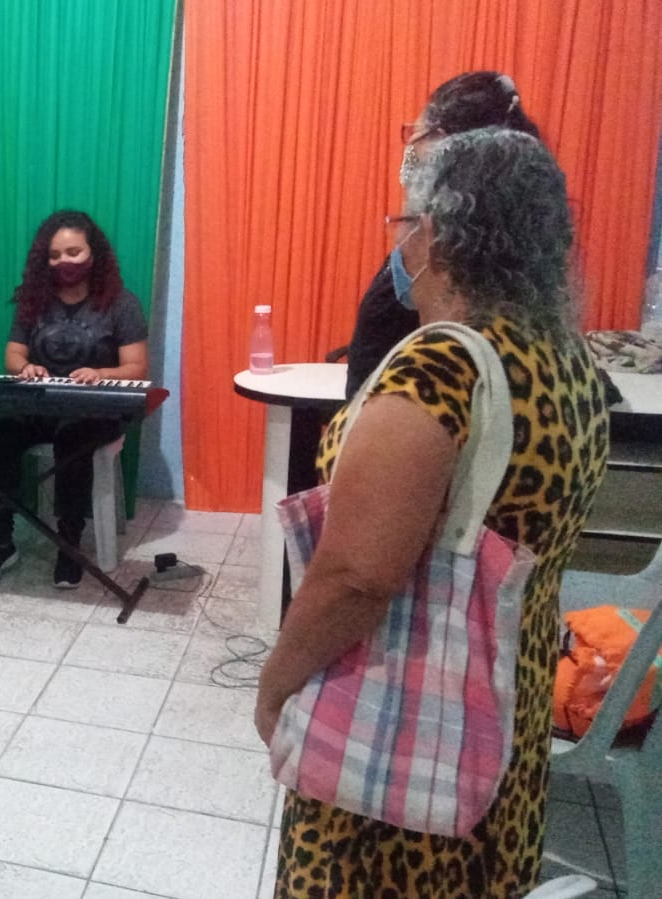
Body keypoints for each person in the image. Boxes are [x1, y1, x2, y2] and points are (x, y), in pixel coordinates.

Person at [256, 130, 609, 898]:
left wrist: (274, 683)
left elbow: (356, 576)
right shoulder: (567, 361)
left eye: (405, 222)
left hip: (402, 727)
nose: (399, 242)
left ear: (438, 234)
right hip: (503, 705)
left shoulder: (440, 369)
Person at [0, 210, 149, 589]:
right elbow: (12, 355)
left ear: (93, 253)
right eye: (54, 255)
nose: (64, 261)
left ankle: (69, 545)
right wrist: (26, 367)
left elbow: (137, 367)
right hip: (42, 404)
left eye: (73, 252)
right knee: (4, 431)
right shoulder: (34, 301)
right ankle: (1, 542)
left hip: (96, 410)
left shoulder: (121, 303)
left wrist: (101, 373)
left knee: (72, 436)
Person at [344, 71, 543, 399]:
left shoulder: (437, 359)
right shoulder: (530, 242)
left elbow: (375, 396)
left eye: (417, 132)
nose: (410, 144)